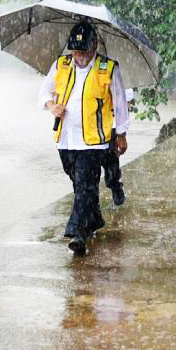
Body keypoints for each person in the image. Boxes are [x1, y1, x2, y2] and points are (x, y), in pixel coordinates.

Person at [39, 21, 130, 256]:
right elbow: (44, 91)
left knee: (84, 185)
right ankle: (95, 218)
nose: (79, 56)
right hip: (65, 139)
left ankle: (78, 233)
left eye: (84, 51)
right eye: (75, 51)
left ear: (94, 46)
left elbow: (120, 103)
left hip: (94, 141)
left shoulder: (108, 68)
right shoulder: (61, 64)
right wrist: (51, 105)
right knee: (80, 185)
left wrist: (121, 134)